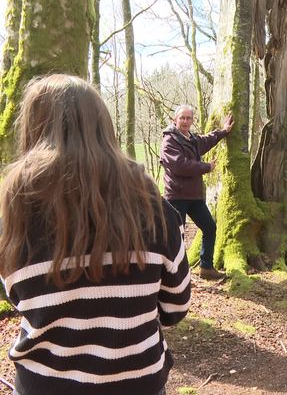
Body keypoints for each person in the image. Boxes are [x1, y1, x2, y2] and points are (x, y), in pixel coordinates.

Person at [0, 74, 191, 395]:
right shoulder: (153, 205)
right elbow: (175, 308)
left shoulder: (12, 210)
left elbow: (17, 297)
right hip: (138, 384)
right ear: (104, 129)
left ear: (32, 130)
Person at [160, 105, 233, 280]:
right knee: (177, 236)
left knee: (209, 227)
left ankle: (206, 268)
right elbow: (180, 165)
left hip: (193, 196)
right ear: (174, 120)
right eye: (182, 118)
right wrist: (206, 167)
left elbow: (205, 141)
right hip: (176, 196)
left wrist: (223, 132)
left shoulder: (190, 138)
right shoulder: (170, 141)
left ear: (192, 120)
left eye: (188, 118)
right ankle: (173, 275)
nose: (185, 121)